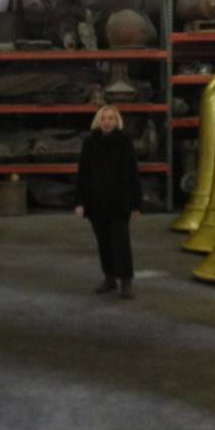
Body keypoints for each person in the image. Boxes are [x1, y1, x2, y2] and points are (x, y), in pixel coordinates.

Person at [74, 104, 143, 298]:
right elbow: (83, 174)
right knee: (103, 242)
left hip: (119, 202)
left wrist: (136, 204)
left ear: (117, 121)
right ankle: (110, 278)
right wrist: (80, 202)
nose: (106, 122)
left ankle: (126, 280)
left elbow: (133, 174)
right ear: (98, 121)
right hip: (97, 203)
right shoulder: (90, 143)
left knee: (120, 242)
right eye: (103, 118)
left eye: (110, 118)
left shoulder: (124, 142)